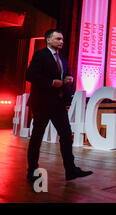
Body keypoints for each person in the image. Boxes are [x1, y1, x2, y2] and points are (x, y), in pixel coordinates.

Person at [25, 29, 93, 182]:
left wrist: (69, 78)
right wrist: (50, 82)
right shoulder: (40, 55)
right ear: (48, 40)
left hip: (58, 104)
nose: (61, 42)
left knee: (67, 136)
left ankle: (71, 170)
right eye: (58, 39)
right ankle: (32, 172)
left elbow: (64, 75)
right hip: (42, 104)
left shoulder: (62, 58)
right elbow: (30, 75)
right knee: (37, 138)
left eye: (62, 39)